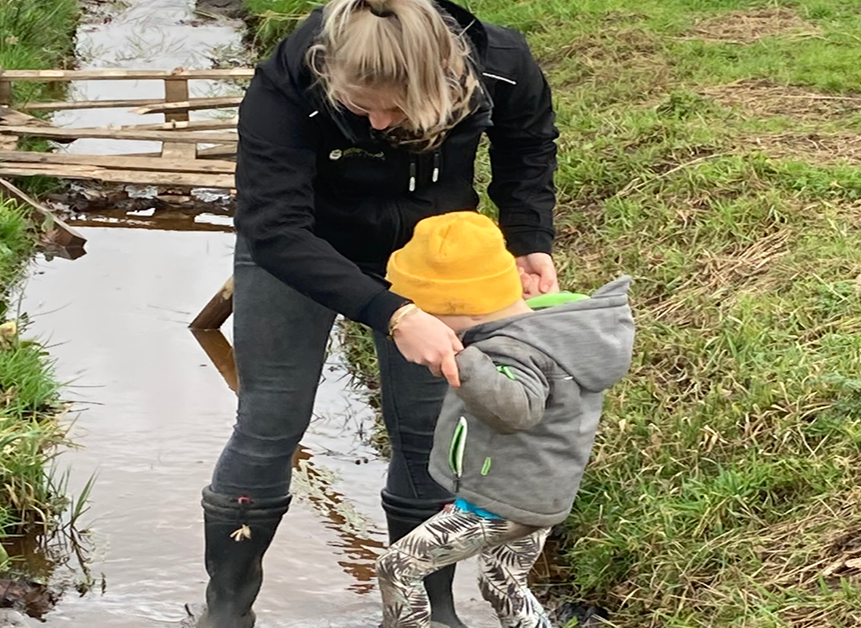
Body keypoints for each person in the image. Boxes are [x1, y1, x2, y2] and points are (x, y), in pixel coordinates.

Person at [190, 0, 559, 626]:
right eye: (362, 108)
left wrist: (528, 238)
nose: (383, 123)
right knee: (270, 421)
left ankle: (428, 613)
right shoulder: (286, 81)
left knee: (425, 433)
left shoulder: (501, 62)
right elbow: (273, 226)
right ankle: (225, 611)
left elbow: (528, 144)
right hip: (299, 248)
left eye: (401, 108)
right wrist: (392, 314)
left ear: (449, 73)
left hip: (431, 257)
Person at [375, 211, 635, 628]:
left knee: (397, 568)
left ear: (457, 308)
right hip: (533, 491)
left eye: (423, 312)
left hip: (503, 503)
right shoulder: (550, 327)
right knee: (503, 580)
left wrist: (459, 361)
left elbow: (516, 411)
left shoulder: (510, 350)